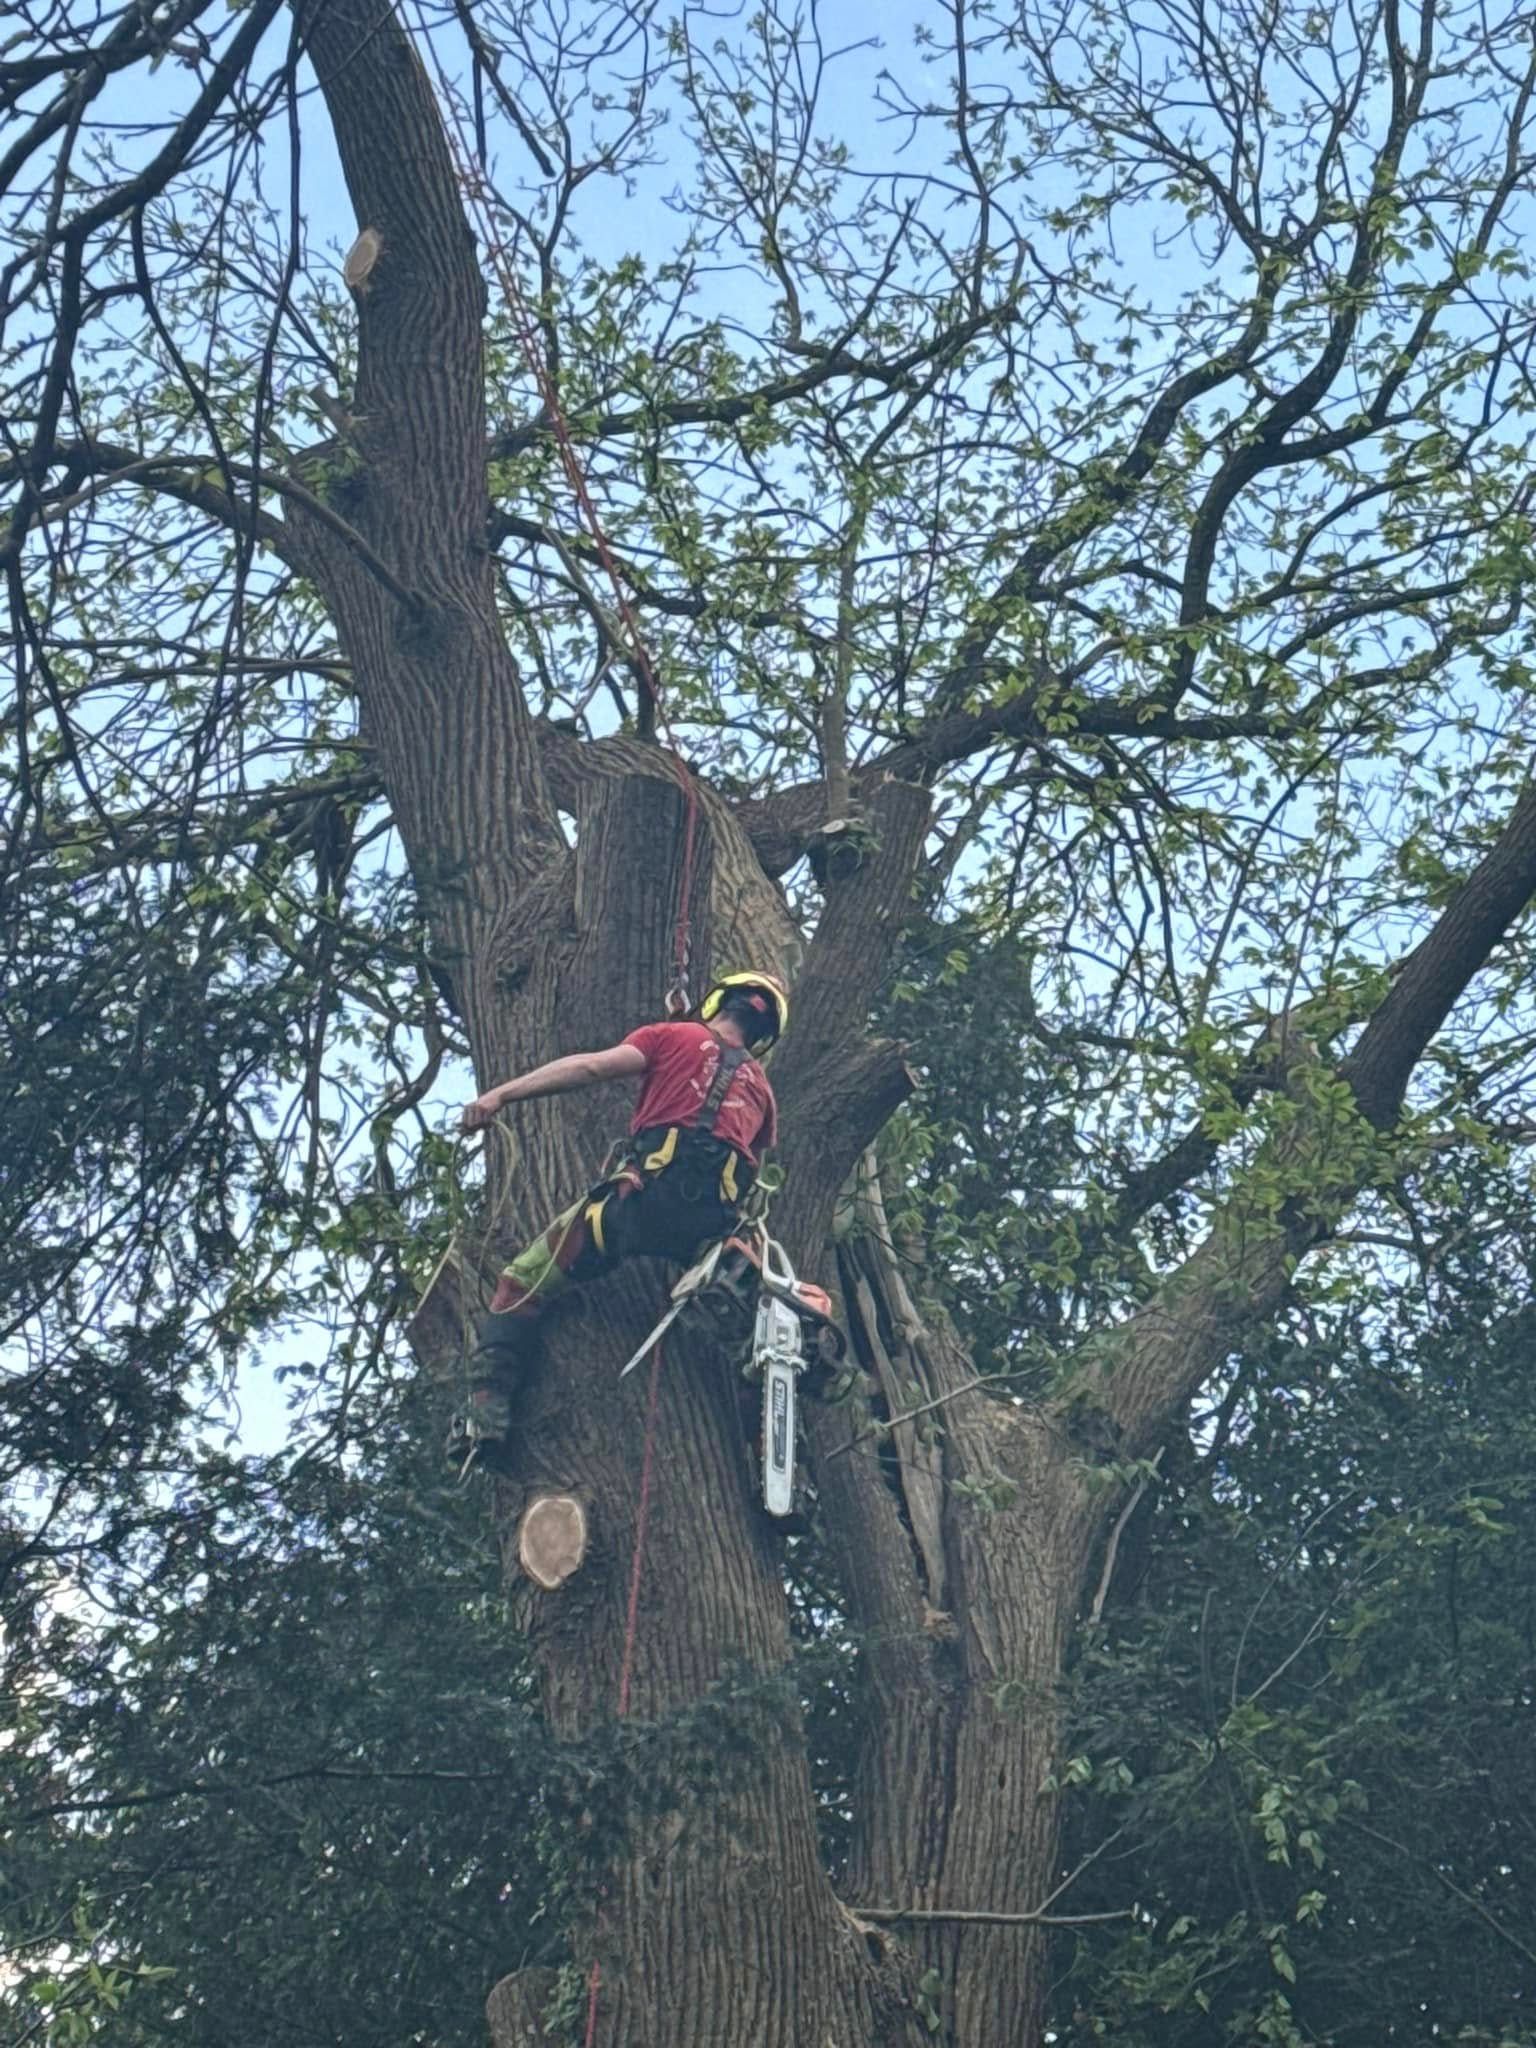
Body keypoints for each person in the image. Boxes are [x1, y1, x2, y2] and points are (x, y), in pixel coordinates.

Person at [450, 972, 789, 1463]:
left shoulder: (672, 1036)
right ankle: (767, 1446)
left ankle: (486, 1414)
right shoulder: (763, 1091)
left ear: (718, 1001)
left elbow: (590, 1068)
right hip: (709, 1231)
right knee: (753, 1327)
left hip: (635, 1208)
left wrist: (499, 1095)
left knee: (519, 1282)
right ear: (764, 1036)